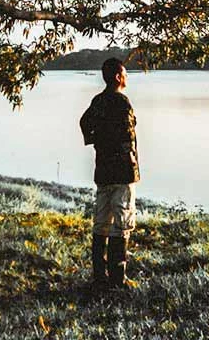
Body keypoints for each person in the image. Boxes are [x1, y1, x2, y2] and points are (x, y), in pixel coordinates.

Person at [78, 57, 139, 289]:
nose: (126, 77)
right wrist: (127, 156)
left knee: (101, 222)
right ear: (117, 77)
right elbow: (127, 137)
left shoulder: (98, 101)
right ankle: (117, 279)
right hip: (122, 171)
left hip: (103, 169)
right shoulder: (122, 103)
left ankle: (99, 277)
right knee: (121, 222)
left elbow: (84, 123)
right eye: (125, 73)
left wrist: (96, 141)